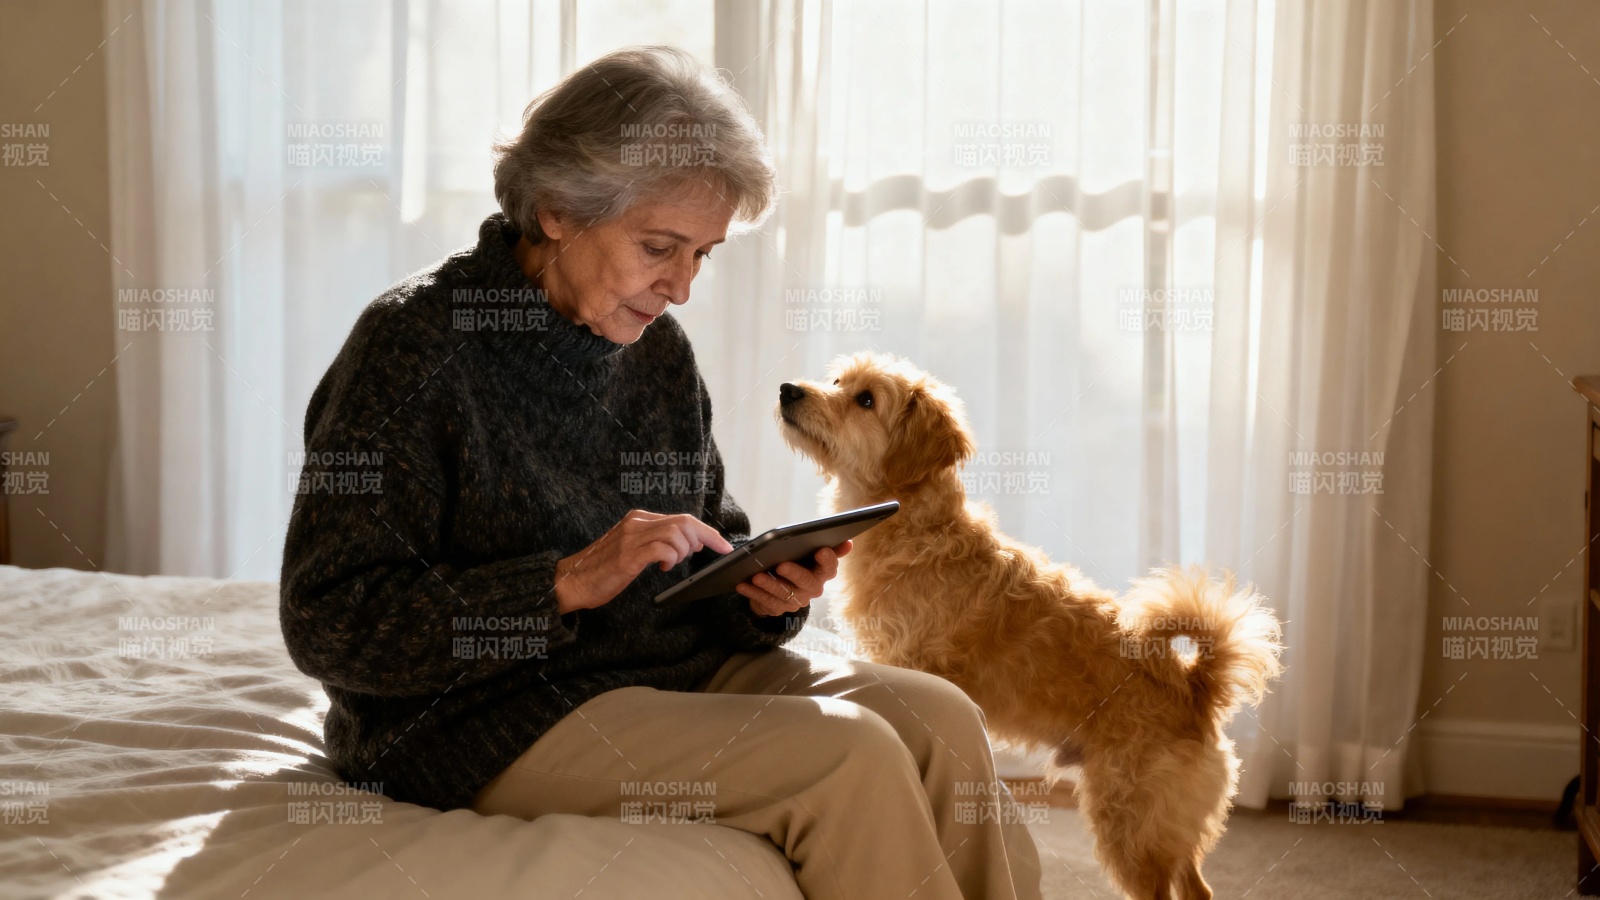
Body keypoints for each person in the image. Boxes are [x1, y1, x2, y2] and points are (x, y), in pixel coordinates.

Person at [279, 45, 1041, 900]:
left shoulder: (655, 351)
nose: (680, 287)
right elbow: (329, 622)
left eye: (702, 256)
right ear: (559, 209)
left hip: (667, 669)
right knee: (848, 757)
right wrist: (565, 582)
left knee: (938, 718)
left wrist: (764, 591)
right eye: (658, 247)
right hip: (487, 713)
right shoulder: (412, 347)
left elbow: (714, 530)